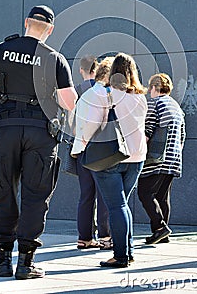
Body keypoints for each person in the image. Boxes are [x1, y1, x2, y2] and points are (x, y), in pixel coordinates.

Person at [0, 5, 77, 280]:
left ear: (26, 22)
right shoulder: (54, 58)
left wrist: (4, 89)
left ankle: (2, 260)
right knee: (36, 196)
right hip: (41, 134)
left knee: (4, 191)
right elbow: (69, 102)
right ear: (50, 30)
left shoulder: (0, 50)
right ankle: (26, 263)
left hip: (6, 130)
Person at [80, 52, 147, 268]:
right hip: (137, 157)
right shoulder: (140, 97)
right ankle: (128, 251)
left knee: (117, 206)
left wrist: (83, 142)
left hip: (110, 157)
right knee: (122, 205)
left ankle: (120, 256)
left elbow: (91, 125)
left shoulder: (106, 95)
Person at [137, 73, 185, 245]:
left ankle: (160, 227)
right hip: (173, 158)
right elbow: (182, 135)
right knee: (162, 196)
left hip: (157, 157)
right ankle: (162, 234)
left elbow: (148, 130)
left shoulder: (155, 103)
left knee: (144, 193)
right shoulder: (176, 107)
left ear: (154, 88)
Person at [71, 57, 113, 250]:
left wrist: (80, 141)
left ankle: (84, 238)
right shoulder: (105, 94)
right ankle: (105, 237)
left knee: (85, 195)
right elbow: (100, 123)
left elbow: (72, 123)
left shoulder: (84, 94)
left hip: (82, 150)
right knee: (104, 195)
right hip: (98, 150)